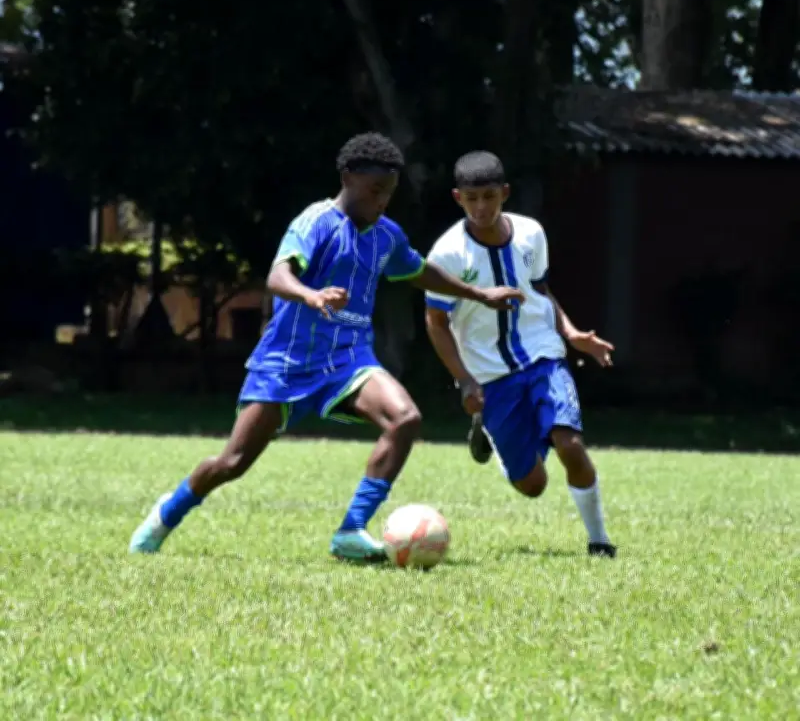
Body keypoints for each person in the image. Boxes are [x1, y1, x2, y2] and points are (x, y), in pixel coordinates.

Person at [129, 133, 523, 562]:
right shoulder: (315, 221)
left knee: (405, 418)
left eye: (389, 194)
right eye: (375, 191)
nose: (382, 202)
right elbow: (278, 276)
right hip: (285, 365)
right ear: (348, 177)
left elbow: (419, 272)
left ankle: (351, 531)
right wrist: (311, 296)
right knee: (232, 462)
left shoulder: (385, 236)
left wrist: (480, 295)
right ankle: (167, 514)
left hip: (348, 361)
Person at [424, 150, 617, 557]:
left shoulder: (531, 234)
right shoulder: (446, 255)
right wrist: (465, 381)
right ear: (458, 198)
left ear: (505, 193)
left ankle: (600, 541)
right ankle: (489, 434)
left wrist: (571, 333)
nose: (481, 207)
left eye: (489, 197)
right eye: (472, 198)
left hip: (543, 357)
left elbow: (540, 293)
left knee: (570, 445)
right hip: (490, 377)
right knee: (533, 486)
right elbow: (436, 324)